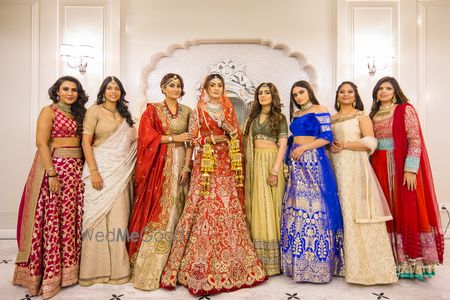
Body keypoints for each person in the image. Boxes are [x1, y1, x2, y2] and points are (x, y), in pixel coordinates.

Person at [160, 74, 267, 295]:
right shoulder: (198, 111)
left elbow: (236, 137)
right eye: (212, 85)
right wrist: (205, 143)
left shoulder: (228, 110)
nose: (217, 89)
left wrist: (230, 132)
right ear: (206, 89)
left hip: (226, 162)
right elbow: (191, 138)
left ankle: (233, 264)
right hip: (206, 165)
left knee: (228, 207)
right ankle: (199, 264)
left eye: (220, 85)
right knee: (205, 207)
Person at [13, 76, 88, 299]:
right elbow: (41, 143)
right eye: (65, 89)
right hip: (55, 170)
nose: (70, 93)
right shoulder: (49, 111)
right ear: (57, 91)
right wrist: (52, 173)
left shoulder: (80, 113)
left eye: (74, 90)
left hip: (76, 171)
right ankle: (49, 274)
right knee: (53, 219)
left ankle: (70, 272)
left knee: (71, 219)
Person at [370, 76, 444, 279]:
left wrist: (410, 169)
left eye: (388, 88)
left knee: (405, 209)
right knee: (385, 211)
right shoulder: (373, 114)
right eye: (380, 89)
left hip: (401, 165)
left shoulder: (405, 109)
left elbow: (415, 140)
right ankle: (389, 260)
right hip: (378, 165)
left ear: (395, 91)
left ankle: (411, 263)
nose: (384, 91)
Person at [126, 73, 193, 290]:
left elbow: (191, 140)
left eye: (178, 85)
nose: (175, 88)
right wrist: (174, 138)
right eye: (171, 85)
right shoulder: (152, 110)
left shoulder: (188, 111)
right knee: (163, 210)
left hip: (182, 162)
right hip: (160, 166)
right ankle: (153, 267)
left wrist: (187, 166)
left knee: (182, 209)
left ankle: (176, 266)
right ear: (163, 88)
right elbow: (146, 138)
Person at [330, 81, 397, 285]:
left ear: (355, 95)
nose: (346, 94)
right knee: (340, 213)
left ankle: (369, 270)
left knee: (356, 213)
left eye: (350, 91)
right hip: (336, 169)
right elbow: (329, 143)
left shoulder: (362, 116)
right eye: (342, 91)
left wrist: (346, 145)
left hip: (356, 168)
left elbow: (371, 143)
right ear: (337, 95)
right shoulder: (331, 119)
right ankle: (342, 265)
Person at [280, 80, 344, 283]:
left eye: (301, 92)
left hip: (313, 161)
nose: (298, 97)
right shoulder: (296, 114)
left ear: (309, 91)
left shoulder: (320, 109)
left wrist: (303, 149)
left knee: (315, 208)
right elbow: (295, 137)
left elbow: (326, 137)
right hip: (296, 163)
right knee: (296, 208)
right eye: (295, 95)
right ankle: (297, 264)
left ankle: (318, 265)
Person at [79, 76, 137, 286]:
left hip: (121, 171)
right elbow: (86, 143)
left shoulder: (125, 114)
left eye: (117, 88)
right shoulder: (94, 111)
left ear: (121, 92)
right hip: (100, 169)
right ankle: (94, 271)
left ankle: (119, 271)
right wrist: (94, 172)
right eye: (109, 88)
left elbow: (134, 141)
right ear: (103, 91)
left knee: (119, 219)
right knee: (96, 219)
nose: (113, 91)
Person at [242, 82, 288, 276]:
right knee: (257, 206)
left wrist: (275, 170)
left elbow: (283, 145)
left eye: (266, 92)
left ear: (273, 95)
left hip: (271, 163)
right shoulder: (251, 119)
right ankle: (258, 258)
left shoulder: (280, 118)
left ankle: (274, 261)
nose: (263, 95)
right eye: (260, 93)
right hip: (254, 164)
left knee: (272, 207)